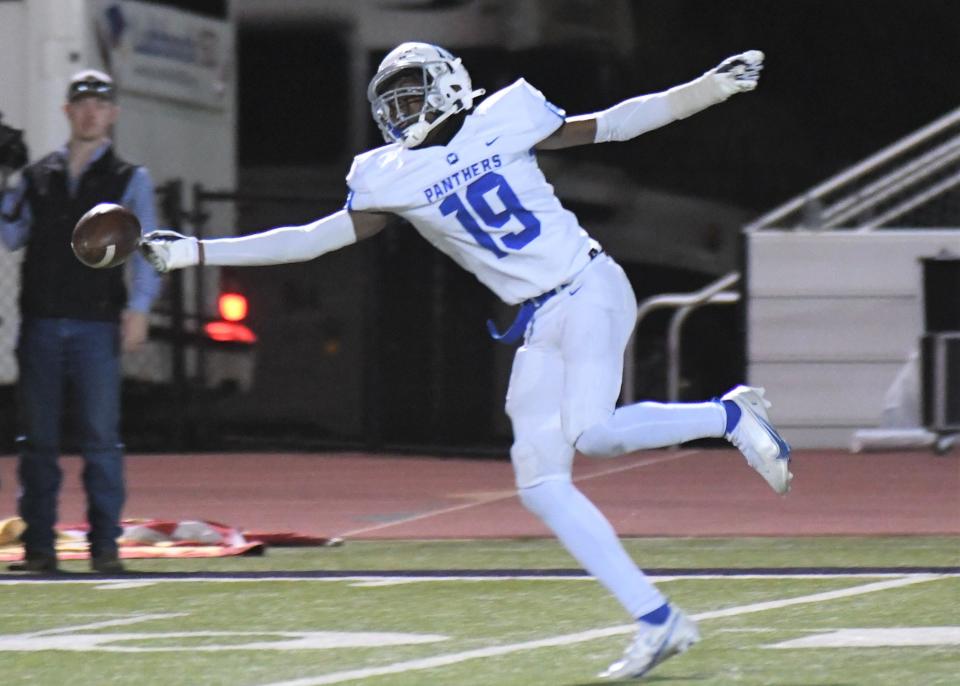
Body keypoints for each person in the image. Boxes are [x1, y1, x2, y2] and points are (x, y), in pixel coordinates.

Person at [141, 43, 792, 679]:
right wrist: (198, 251)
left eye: (410, 93)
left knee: (593, 432)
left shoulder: (505, 115)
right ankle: (657, 620)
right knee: (541, 484)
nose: (400, 111)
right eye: (390, 101)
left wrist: (708, 89)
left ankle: (728, 415)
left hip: (588, 285)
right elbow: (312, 240)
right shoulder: (387, 174)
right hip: (540, 316)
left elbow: (616, 123)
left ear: (448, 83)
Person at [0, 69, 161, 574]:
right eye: (82, 103)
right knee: (38, 444)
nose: (91, 111)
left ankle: (105, 549)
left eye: (100, 103)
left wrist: (138, 309)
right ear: (68, 111)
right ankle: (40, 549)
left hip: (96, 324)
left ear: (111, 114)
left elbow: (148, 247)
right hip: (43, 322)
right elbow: (10, 234)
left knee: (100, 442)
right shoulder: (38, 176)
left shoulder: (128, 177)